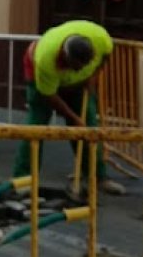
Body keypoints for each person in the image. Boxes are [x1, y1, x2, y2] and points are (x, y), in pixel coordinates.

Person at [12, 20, 126, 195]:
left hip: (78, 85)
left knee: (89, 127)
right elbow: (49, 95)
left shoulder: (100, 39)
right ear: (66, 57)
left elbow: (106, 56)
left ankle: (98, 177)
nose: (79, 69)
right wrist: (73, 118)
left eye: (83, 67)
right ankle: (23, 179)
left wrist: (93, 77)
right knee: (36, 126)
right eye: (75, 66)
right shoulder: (45, 59)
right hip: (41, 81)